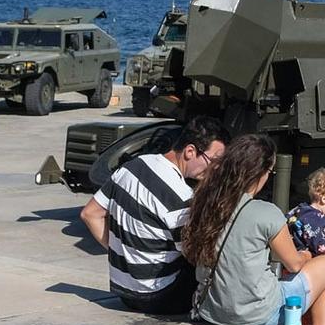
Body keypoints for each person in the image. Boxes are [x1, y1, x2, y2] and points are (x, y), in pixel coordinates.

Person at [186, 134, 325, 325]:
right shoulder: (267, 212)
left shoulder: (204, 203)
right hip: (259, 315)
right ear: (261, 172)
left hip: (212, 310)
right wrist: (306, 254)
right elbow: (294, 264)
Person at [80, 116, 229, 313]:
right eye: (214, 161)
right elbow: (198, 257)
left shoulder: (132, 166)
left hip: (124, 293)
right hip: (163, 298)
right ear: (190, 151)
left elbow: (90, 214)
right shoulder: (181, 198)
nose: (216, 169)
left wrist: (125, 254)